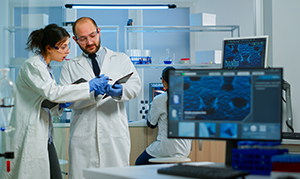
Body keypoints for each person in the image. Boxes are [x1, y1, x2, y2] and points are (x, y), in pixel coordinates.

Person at [0, 24, 110, 179]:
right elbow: (52, 92)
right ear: (49, 48)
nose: (68, 51)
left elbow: (46, 100)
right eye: (63, 47)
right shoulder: (33, 66)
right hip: (30, 133)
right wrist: (88, 86)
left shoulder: (45, 68)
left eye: (68, 46)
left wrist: (59, 105)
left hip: (44, 133)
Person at [59, 17, 141, 178]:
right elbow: (64, 98)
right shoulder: (69, 66)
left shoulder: (121, 59)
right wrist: (90, 92)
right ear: (75, 40)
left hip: (114, 135)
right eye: (82, 39)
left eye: (92, 35)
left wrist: (120, 91)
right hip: (83, 138)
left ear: (99, 32)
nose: (89, 42)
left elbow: (135, 86)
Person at [135, 67, 192, 165]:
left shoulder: (159, 99)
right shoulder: (189, 98)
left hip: (165, 148)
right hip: (184, 149)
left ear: (163, 80)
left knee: (139, 163)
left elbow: (151, 124)